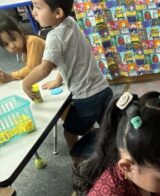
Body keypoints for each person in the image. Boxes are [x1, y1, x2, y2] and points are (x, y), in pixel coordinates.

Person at [22, 0, 112, 150]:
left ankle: (78, 163)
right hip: (103, 88)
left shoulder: (54, 36)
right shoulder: (71, 22)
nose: (33, 12)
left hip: (86, 97)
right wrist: (58, 79)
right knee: (110, 128)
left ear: (57, 13)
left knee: (69, 132)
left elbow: (45, 68)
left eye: (37, 7)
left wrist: (26, 83)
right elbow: (71, 57)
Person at [0, 15, 45, 83]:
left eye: (13, 39)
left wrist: (11, 76)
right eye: (6, 44)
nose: (12, 46)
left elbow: (32, 69)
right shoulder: (24, 48)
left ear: (20, 31)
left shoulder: (32, 41)